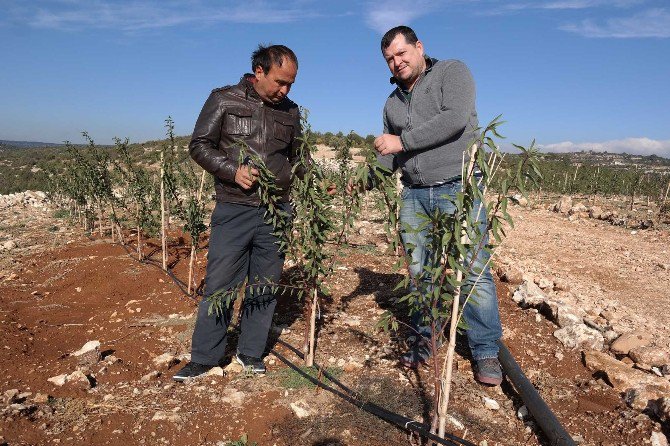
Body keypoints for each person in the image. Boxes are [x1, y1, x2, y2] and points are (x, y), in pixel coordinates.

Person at [372, 26, 503, 386]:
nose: (397, 62)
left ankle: (486, 350)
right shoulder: (392, 102)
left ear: (419, 47)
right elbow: (390, 156)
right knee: (419, 270)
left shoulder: (451, 72)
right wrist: (364, 177)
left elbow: (455, 118)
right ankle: (425, 338)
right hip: (414, 193)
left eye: (401, 54)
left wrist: (402, 141)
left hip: (458, 187)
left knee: (473, 267)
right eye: (389, 59)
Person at [173, 44, 304, 381]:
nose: (285, 90)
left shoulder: (290, 111)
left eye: (290, 84)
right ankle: (205, 358)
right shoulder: (224, 99)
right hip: (234, 207)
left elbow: (298, 158)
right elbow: (199, 145)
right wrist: (232, 170)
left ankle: (249, 353)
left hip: (277, 210)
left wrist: (317, 183)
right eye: (279, 82)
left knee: (264, 283)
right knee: (220, 283)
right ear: (258, 71)